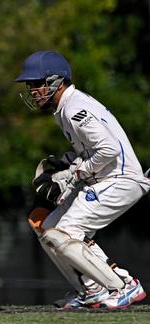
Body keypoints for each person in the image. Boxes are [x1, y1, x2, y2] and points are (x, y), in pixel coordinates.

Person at [15, 50, 148, 309]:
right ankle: (92, 289)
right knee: (49, 229)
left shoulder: (75, 108)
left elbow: (109, 150)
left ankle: (123, 286)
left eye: (36, 84)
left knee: (67, 232)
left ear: (56, 81)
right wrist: (67, 165)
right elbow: (92, 151)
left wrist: (74, 174)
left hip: (122, 179)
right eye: (30, 86)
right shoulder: (66, 108)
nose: (33, 91)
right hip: (105, 178)